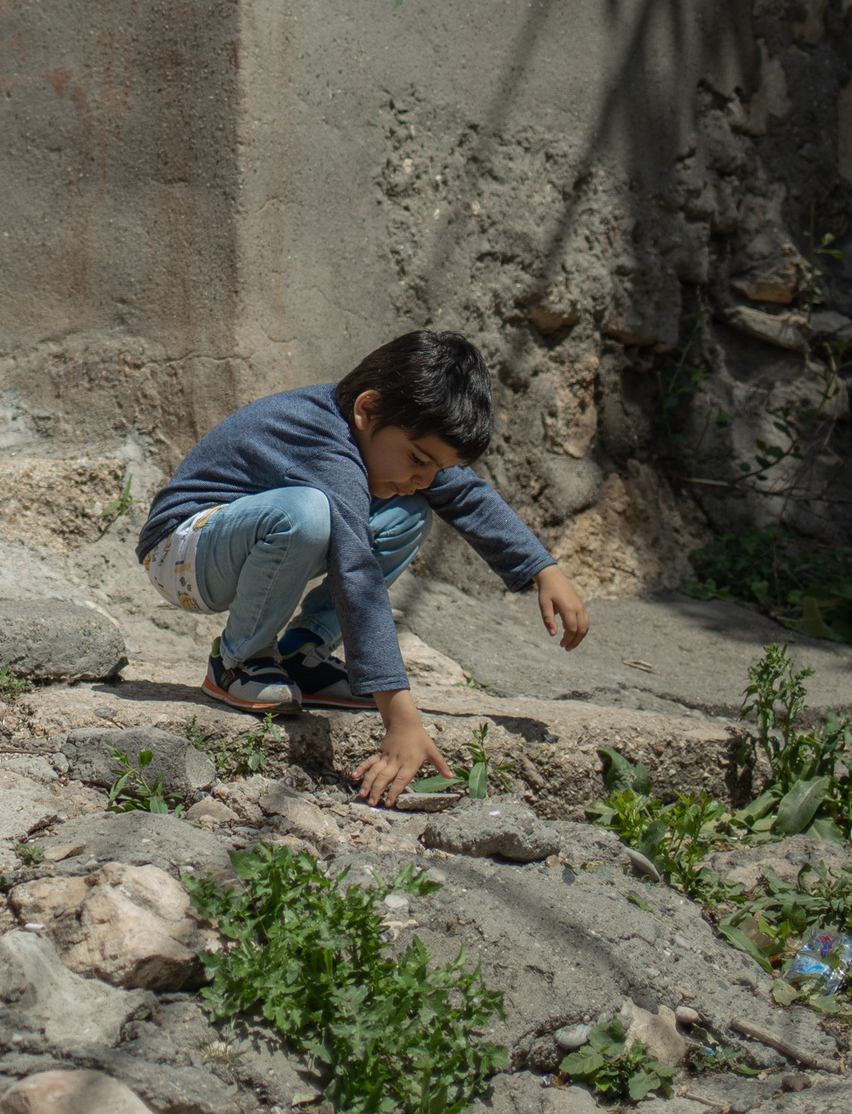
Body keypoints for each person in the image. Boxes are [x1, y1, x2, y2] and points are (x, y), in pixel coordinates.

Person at [136, 330, 592, 804]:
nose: (425, 477)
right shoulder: (325, 444)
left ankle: (301, 654)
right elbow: (356, 572)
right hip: (181, 553)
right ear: (367, 410)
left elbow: (463, 493)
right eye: (418, 459)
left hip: (236, 542)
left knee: (408, 512)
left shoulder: (376, 431)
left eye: (435, 467)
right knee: (307, 515)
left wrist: (543, 569)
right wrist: (401, 719)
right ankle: (237, 661)